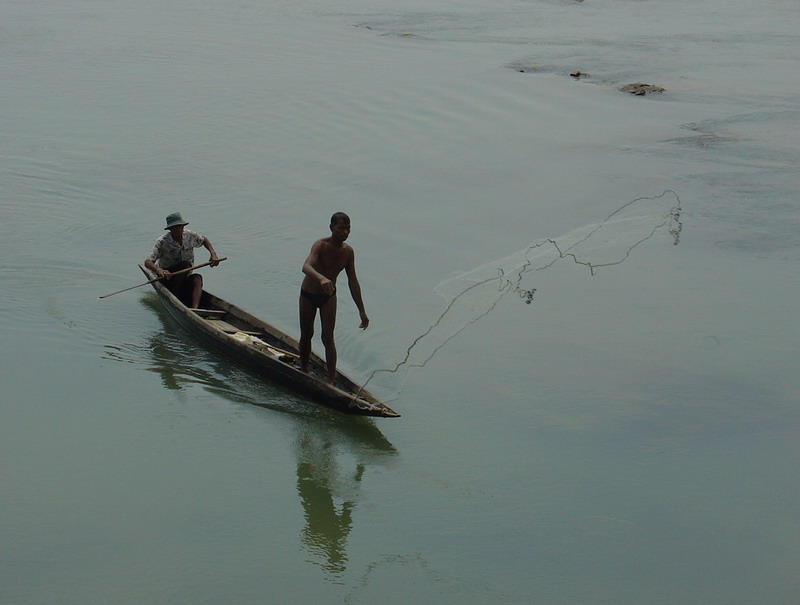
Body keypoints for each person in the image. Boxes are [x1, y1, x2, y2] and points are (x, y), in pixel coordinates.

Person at [299, 212, 369, 385]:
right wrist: (321, 278)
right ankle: (304, 369)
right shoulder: (320, 245)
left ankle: (331, 380)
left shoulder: (348, 252)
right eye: (340, 229)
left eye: (347, 229)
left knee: (327, 337)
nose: (344, 232)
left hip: (328, 297)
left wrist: (362, 311)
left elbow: (353, 282)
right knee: (307, 333)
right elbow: (306, 266)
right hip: (308, 294)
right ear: (332, 228)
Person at [144, 212, 221, 308]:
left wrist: (213, 254)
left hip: (185, 277)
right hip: (168, 277)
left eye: (181, 226)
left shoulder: (189, 235)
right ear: (170, 229)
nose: (179, 229)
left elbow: (204, 240)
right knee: (186, 265)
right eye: (176, 227)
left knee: (197, 279)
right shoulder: (162, 241)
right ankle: (174, 297)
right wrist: (159, 270)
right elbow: (148, 262)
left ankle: (194, 310)